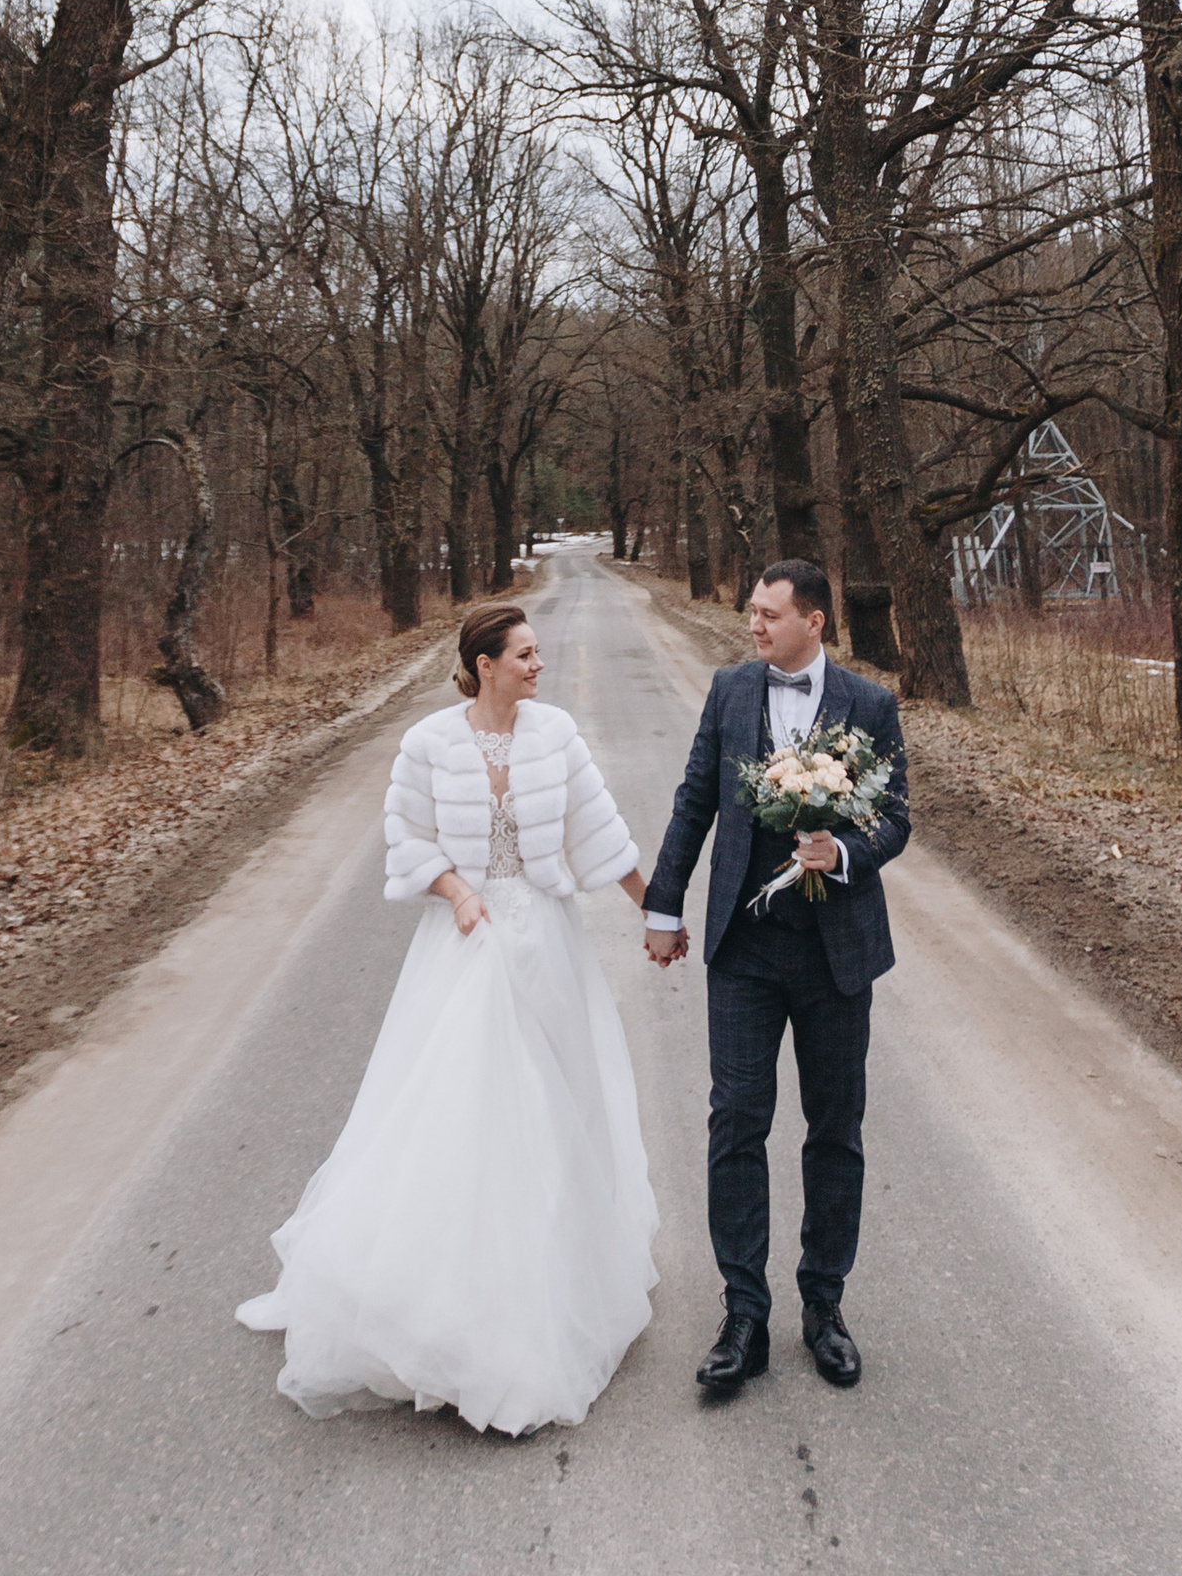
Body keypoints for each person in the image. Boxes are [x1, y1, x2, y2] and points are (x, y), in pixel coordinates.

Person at [236, 595, 660, 1435]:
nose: (540, 665)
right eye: (527, 655)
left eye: (540, 654)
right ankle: (447, 1299)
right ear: (486, 664)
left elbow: (599, 834)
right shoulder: (428, 744)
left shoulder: (558, 736)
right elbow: (409, 840)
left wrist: (659, 914)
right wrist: (460, 892)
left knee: (559, 1097)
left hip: (548, 939)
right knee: (467, 1106)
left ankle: (559, 1269)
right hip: (468, 943)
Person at [643, 560, 908, 1396]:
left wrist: (847, 851)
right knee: (736, 1123)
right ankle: (744, 1313)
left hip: (836, 957)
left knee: (835, 1129)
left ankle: (824, 1307)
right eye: (751, 613)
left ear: (816, 622)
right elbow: (696, 801)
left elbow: (896, 817)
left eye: (768, 614)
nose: (753, 626)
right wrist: (663, 905)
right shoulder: (728, 692)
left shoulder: (870, 705)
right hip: (745, 953)